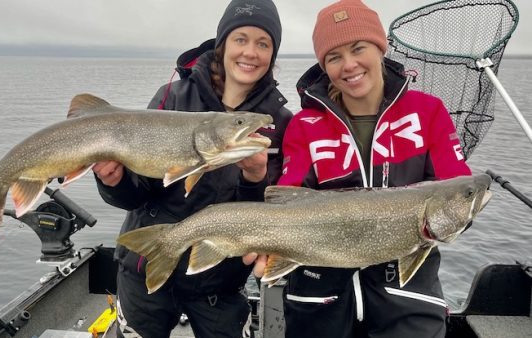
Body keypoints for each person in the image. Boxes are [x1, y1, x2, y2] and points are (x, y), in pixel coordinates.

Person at [92, 1, 292, 337]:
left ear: (273, 54)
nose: (251, 52)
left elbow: (268, 217)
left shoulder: (277, 122)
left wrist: (254, 178)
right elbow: (136, 194)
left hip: (220, 284)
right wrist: (115, 181)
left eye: (263, 43)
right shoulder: (172, 96)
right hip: (145, 269)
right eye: (240, 39)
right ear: (223, 44)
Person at [276, 0, 472, 337]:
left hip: (408, 295)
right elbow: (287, 200)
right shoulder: (304, 124)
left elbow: (455, 192)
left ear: (380, 48)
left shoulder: (428, 112)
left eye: (358, 48)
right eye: (334, 57)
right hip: (318, 296)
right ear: (324, 66)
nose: (349, 65)